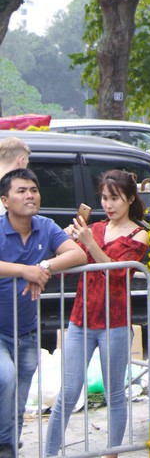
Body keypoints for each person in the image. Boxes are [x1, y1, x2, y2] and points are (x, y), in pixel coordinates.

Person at [45, 170, 150, 458]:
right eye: (104, 197)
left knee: (114, 393)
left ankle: (112, 454)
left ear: (129, 199)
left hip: (114, 322)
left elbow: (118, 272)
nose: (108, 204)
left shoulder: (138, 233)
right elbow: (69, 256)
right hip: (80, 318)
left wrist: (90, 242)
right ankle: (49, 452)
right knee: (67, 393)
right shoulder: (96, 227)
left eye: (114, 198)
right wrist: (63, 238)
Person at [0, 168, 85, 458]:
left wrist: (45, 267)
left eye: (33, 190)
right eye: (21, 191)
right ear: (5, 200)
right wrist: (25, 270)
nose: (29, 195)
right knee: (6, 378)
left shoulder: (45, 226)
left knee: (19, 400)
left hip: (27, 331)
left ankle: (9, 448)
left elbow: (77, 254)